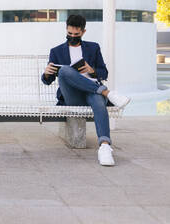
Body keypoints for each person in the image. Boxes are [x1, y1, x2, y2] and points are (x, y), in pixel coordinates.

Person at [41, 14, 130, 166]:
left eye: (76, 34)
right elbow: (47, 81)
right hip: (72, 96)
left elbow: (104, 73)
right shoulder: (56, 51)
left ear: (83, 32)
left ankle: (105, 146)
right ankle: (106, 92)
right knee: (65, 71)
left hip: (92, 93)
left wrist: (92, 70)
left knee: (97, 100)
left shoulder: (93, 48)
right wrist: (46, 73)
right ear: (66, 30)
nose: (72, 37)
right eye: (70, 34)